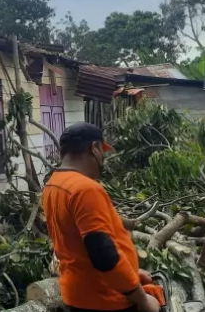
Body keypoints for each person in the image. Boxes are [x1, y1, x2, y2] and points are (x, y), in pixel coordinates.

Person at [42, 122, 160, 312]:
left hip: (79, 294)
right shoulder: (85, 189)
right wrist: (142, 298)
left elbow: (79, 248)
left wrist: (131, 273)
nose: (102, 159)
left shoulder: (53, 185)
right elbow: (103, 255)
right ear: (95, 148)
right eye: (102, 152)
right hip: (106, 300)